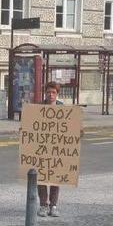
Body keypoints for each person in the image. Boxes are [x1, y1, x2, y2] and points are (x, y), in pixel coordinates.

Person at [37, 81, 63, 218]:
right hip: (42, 149)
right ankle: (43, 205)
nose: (50, 95)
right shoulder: (38, 108)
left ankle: (53, 206)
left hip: (56, 150)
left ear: (57, 94)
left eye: (53, 92)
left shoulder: (63, 109)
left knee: (55, 179)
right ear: (45, 93)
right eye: (48, 92)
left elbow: (71, 127)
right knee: (40, 178)